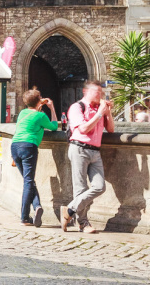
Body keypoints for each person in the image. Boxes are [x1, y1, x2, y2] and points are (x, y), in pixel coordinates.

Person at [62, 80, 114, 233]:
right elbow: (84, 129)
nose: (100, 95)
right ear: (86, 92)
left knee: (100, 186)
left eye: (101, 92)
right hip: (79, 149)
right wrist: (99, 114)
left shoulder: (100, 109)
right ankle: (83, 223)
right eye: (97, 92)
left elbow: (110, 129)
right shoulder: (77, 107)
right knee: (80, 187)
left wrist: (108, 112)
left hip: (95, 151)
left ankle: (70, 209)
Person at [11, 89, 58, 227]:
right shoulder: (41, 116)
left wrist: (39, 104)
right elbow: (54, 126)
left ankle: (37, 206)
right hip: (28, 147)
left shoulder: (22, 113)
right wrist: (52, 107)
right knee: (28, 181)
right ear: (38, 101)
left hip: (15, 146)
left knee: (28, 181)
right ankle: (24, 217)